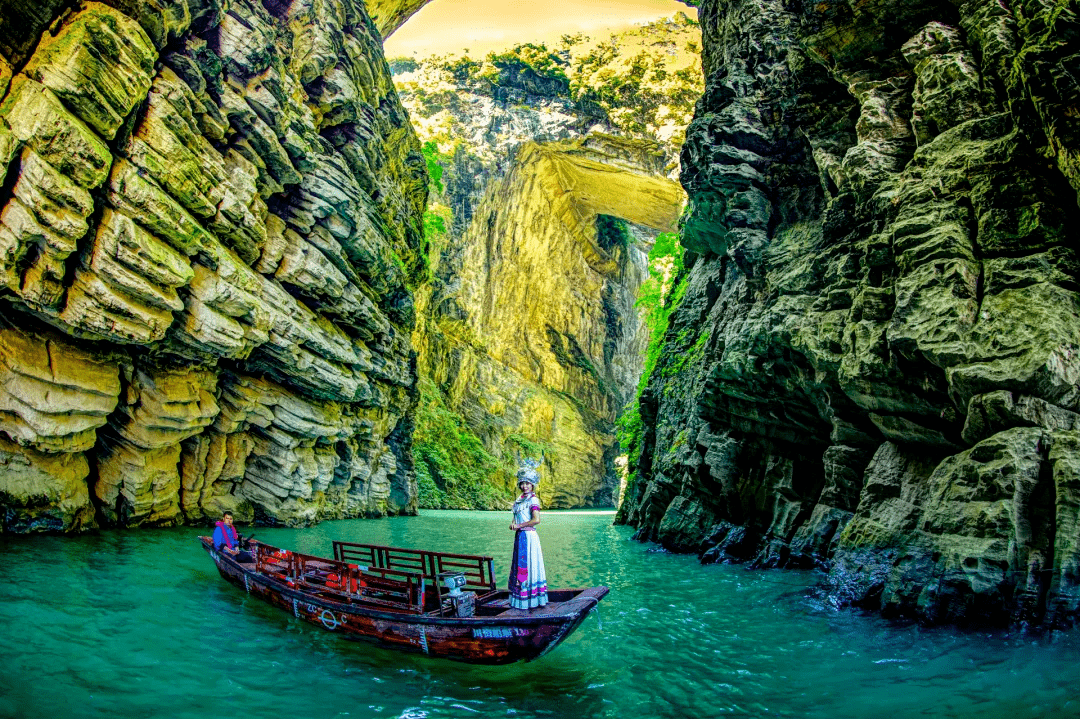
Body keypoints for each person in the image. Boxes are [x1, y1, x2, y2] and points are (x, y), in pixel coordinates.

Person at [508, 459, 548, 610]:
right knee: (518, 565)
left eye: (528, 483)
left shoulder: (533, 499)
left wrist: (519, 525)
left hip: (529, 537)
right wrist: (513, 524)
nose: (525, 486)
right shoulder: (518, 500)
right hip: (520, 536)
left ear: (532, 485)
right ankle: (520, 599)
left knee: (529, 565)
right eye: (522, 483)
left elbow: (536, 520)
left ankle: (531, 599)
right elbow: (515, 516)